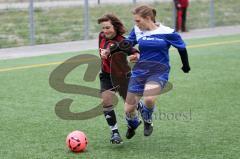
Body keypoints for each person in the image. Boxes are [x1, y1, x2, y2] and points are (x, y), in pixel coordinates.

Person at [124, 5, 190, 139]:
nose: (136, 24)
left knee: (148, 98)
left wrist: (185, 65)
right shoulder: (137, 30)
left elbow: (182, 48)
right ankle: (133, 124)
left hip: (159, 71)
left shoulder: (168, 32)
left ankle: (148, 120)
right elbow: (127, 45)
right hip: (140, 72)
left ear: (147, 18)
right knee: (129, 109)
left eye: (138, 21)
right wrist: (132, 53)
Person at [97, 14, 139, 144]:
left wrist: (135, 56)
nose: (105, 30)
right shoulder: (101, 36)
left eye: (108, 27)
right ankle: (114, 133)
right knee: (106, 101)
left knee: (130, 107)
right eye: (103, 27)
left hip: (122, 77)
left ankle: (133, 122)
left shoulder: (122, 41)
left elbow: (135, 52)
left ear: (115, 27)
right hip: (106, 75)